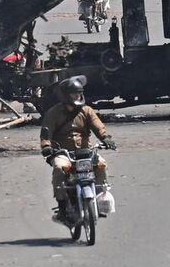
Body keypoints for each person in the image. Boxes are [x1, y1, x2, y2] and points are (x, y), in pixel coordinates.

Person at [38, 77, 115, 223]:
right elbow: (46, 133)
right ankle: (61, 207)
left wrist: (105, 138)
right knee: (59, 169)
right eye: (74, 93)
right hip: (63, 153)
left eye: (79, 93)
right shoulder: (54, 113)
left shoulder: (87, 111)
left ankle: (99, 198)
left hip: (86, 152)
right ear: (65, 95)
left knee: (101, 165)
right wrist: (46, 147)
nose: (77, 96)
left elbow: (98, 126)